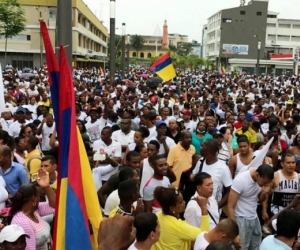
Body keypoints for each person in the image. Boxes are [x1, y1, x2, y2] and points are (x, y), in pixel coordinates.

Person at [227, 164, 274, 250]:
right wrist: (234, 232)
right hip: (240, 217)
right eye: (264, 182)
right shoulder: (241, 180)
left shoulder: (261, 182)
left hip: (253, 217)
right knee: (241, 247)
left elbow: (259, 200)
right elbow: (230, 206)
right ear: (257, 175)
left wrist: (264, 193)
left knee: (255, 246)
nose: (265, 184)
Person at [10, 169, 56, 250]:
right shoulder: (23, 222)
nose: (41, 197)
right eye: (39, 195)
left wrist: (47, 187)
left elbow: (55, 205)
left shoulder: (34, 211)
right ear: (34, 199)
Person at [193, 139, 232, 209]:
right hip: (197, 206)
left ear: (208, 150)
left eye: (202, 146)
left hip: (212, 209)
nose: (200, 148)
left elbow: (230, 191)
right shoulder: (200, 162)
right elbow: (194, 178)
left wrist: (217, 206)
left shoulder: (223, 168)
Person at [262, 153, 300, 218]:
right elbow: (266, 195)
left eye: (293, 162)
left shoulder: (299, 177)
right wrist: (264, 211)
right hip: (276, 212)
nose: (291, 165)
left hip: (294, 214)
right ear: (282, 164)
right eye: (288, 163)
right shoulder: (275, 176)